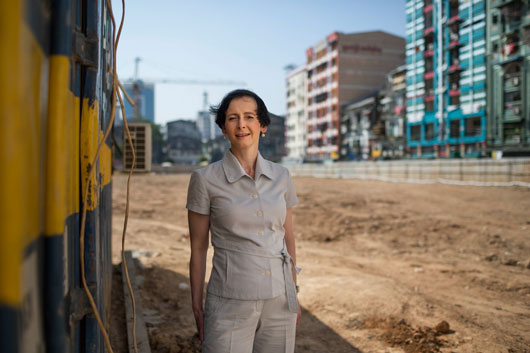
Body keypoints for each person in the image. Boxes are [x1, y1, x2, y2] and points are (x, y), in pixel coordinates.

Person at [186, 89, 301, 353]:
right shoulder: (204, 179)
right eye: (232, 118)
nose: (241, 124)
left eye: (249, 117)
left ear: (263, 126)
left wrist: (293, 292)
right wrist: (196, 304)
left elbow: (289, 237)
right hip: (229, 301)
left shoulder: (282, 176)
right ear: (223, 128)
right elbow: (199, 247)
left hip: (280, 301)